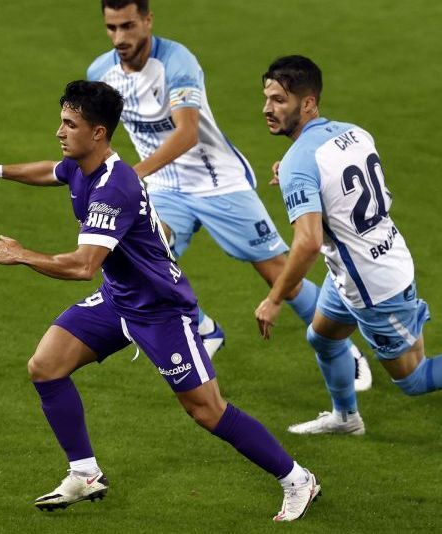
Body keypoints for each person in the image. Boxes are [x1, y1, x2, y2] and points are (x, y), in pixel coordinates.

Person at [0, 80, 320, 521]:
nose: (60, 131)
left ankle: (297, 478)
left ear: (98, 133)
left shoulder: (115, 187)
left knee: (206, 410)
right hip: (119, 299)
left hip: (161, 311)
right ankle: (85, 473)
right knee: (45, 367)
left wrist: (21, 254)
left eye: (70, 124)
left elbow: (83, 266)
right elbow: (51, 170)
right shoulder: (81, 166)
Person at [86, 0, 372, 389]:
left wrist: (132, 174)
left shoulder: (177, 62)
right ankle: (203, 327)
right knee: (134, 257)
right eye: (112, 28)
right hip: (165, 188)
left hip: (219, 183)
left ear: (148, 20)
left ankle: (344, 349)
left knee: (279, 275)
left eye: (128, 26)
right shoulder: (100, 72)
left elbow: (187, 133)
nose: (120, 37)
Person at [255, 55, 442, 435]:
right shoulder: (354, 132)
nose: (267, 109)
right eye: (267, 98)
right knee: (321, 337)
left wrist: (275, 299)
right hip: (362, 266)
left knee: (414, 379)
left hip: (375, 287)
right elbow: (341, 186)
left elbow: (306, 244)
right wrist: (292, 174)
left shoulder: (298, 162)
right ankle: (346, 418)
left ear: (307, 103)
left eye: (278, 100)